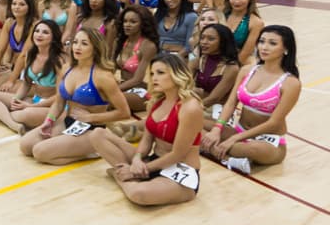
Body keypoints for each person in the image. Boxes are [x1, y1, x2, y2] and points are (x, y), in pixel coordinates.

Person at [91, 53, 203, 206]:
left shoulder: (190, 107)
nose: (154, 78)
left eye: (160, 73)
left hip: (179, 169)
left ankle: (122, 176)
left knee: (139, 194)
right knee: (98, 134)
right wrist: (137, 158)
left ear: (177, 74)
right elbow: (147, 140)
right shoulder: (157, 101)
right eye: (152, 73)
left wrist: (135, 170)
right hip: (153, 160)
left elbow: (178, 154)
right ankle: (134, 175)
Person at [20, 26, 132, 165]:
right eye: (75, 42)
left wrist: (91, 117)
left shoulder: (103, 76)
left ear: (95, 48)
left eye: (84, 44)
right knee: (25, 145)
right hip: (68, 121)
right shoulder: (66, 68)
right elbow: (59, 102)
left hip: (91, 130)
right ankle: (70, 146)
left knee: (40, 152)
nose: (77, 47)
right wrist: (49, 121)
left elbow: (124, 113)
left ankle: (94, 151)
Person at [202, 25, 301, 175]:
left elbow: (273, 123)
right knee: (193, 124)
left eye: (272, 43)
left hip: (267, 141)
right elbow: (230, 103)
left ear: (286, 49)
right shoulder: (246, 70)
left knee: (246, 148)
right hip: (239, 130)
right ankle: (228, 158)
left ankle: (211, 150)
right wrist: (217, 129)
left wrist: (235, 139)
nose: (264, 47)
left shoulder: (291, 83)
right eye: (261, 41)